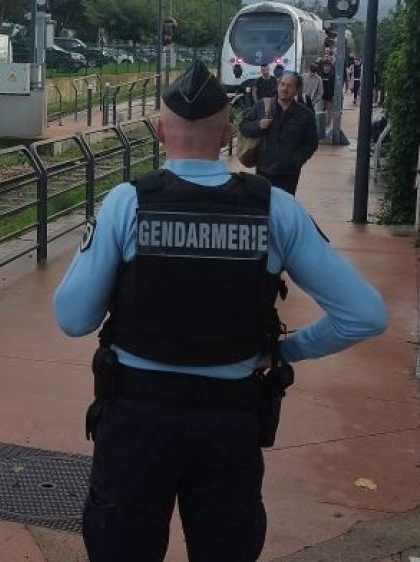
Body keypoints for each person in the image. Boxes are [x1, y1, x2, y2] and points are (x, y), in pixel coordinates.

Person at [54, 60, 387, 562]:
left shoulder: (126, 204)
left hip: (137, 420)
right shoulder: (275, 208)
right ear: (230, 132)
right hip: (230, 418)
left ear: (160, 131)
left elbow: (73, 319)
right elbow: (365, 314)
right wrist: (284, 349)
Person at [239, 72, 319, 195]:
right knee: (264, 206)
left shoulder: (305, 114)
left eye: (289, 86)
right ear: (277, 86)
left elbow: (312, 143)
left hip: (289, 173)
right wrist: (258, 125)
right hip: (264, 169)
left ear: (297, 90)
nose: (284, 89)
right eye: (282, 84)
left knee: (285, 208)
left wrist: (297, 161)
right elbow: (243, 126)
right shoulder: (262, 106)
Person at [319, 58, 336, 128]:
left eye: (328, 66)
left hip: (329, 97)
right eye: (325, 66)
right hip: (321, 96)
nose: (326, 67)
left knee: (329, 112)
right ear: (323, 66)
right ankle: (321, 125)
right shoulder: (320, 74)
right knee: (320, 111)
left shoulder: (333, 75)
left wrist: (333, 95)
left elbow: (334, 86)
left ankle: (328, 126)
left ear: (330, 66)